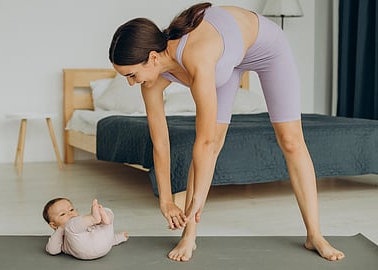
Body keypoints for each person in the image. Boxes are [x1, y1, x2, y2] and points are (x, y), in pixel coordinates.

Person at [108, 3, 345, 262]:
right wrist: (165, 199)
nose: (131, 83)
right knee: (213, 143)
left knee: (291, 141)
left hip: (265, 48)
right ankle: (189, 236)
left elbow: (205, 141)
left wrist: (197, 197)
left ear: (153, 57)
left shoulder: (196, 57)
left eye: (131, 75)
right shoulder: (151, 82)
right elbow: (161, 143)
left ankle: (315, 235)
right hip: (224, 63)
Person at [42, 198, 128, 260]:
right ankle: (97, 218)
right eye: (62, 214)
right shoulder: (63, 235)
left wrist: (120, 237)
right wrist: (60, 229)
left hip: (104, 246)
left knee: (103, 224)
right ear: (53, 225)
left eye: (71, 209)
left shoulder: (82, 224)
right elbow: (52, 250)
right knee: (71, 225)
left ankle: (105, 216)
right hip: (85, 250)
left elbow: (107, 239)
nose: (70, 214)